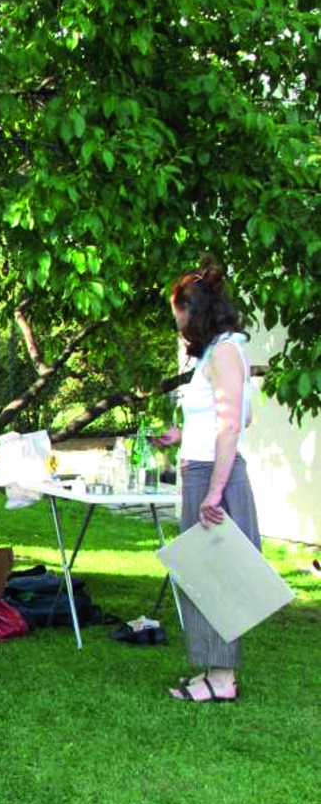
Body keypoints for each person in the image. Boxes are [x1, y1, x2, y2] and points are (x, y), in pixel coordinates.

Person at [151, 261, 256, 703]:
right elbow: (225, 415)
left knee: (217, 578)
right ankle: (216, 671)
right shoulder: (217, 352)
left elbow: (233, 424)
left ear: (195, 311)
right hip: (201, 466)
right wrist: (181, 435)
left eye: (179, 316)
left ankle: (222, 680)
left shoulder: (226, 352)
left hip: (214, 476)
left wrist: (214, 491)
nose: (178, 326)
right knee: (205, 576)